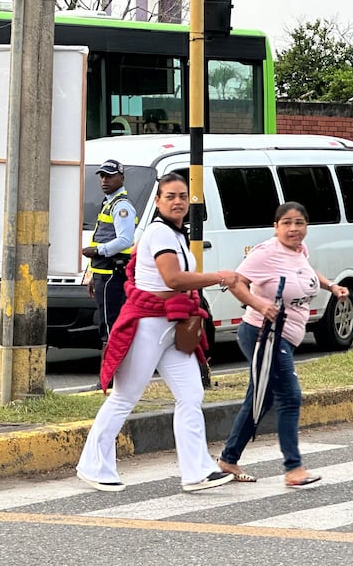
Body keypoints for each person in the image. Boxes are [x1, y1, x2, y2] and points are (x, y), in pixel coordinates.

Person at [76, 173, 238, 493]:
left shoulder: (176, 234)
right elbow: (173, 279)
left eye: (182, 196)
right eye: (170, 196)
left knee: (191, 395)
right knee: (125, 397)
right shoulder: (160, 232)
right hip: (147, 324)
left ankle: (196, 471)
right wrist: (219, 276)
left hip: (172, 325)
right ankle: (93, 466)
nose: (177, 201)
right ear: (158, 201)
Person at [216, 201, 349, 488]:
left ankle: (228, 460)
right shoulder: (265, 253)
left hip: (286, 336)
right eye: (286, 223)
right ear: (275, 226)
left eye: (299, 223)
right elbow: (235, 281)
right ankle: (293, 468)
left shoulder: (300, 250)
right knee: (289, 396)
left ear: (306, 226)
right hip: (263, 334)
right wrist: (259, 305)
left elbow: (307, 272)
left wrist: (331, 286)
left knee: (260, 398)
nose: (293, 229)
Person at [82, 160, 136, 347]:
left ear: (121, 178)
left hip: (112, 275)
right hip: (103, 274)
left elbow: (125, 240)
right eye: (102, 176)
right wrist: (93, 275)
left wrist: (97, 251)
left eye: (110, 176)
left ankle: (113, 363)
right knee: (106, 322)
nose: (105, 180)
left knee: (111, 325)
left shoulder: (121, 206)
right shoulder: (109, 203)